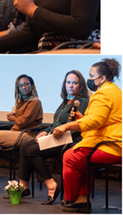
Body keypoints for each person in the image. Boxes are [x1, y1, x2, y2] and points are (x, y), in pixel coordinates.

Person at [52, 59, 122, 213]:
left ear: (102, 78)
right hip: (114, 142)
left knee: (69, 157)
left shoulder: (103, 93)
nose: (89, 79)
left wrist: (67, 125)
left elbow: (96, 121)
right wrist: (81, 118)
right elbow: (102, 119)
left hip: (111, 145)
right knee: (82, 160)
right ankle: (82, 199)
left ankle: (72, 199)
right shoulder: (115, 90)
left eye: (91, 76)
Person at [14, 70, 89, 204]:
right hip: (56, 137)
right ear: (64, 84)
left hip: (69, 139)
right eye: (68, 82)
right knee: (25, 146)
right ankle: (23, 186)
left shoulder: (81, 101)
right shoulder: (64, 102)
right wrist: (45, 132)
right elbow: (55, 124)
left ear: (81, 86)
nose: (71, 85)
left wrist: (52, 136)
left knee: (31, 151)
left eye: (75, 83)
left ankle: (52, 185)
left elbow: (77, 126)